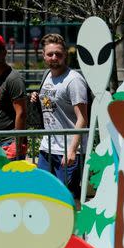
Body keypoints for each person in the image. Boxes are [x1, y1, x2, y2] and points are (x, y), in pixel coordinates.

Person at [30, 34, 89, 199]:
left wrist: (71, 150)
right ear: (43, 56)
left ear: (65, 55)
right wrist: (37, 96)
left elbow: (82, 118)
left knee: (65, 198)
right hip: (47, 148)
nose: (54, 57)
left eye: (58, 54)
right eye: (50, 54)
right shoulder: (47, 75)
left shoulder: (74, 81)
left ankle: (73, 225)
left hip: (68, 151)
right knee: (43, 194)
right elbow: (52, 100)